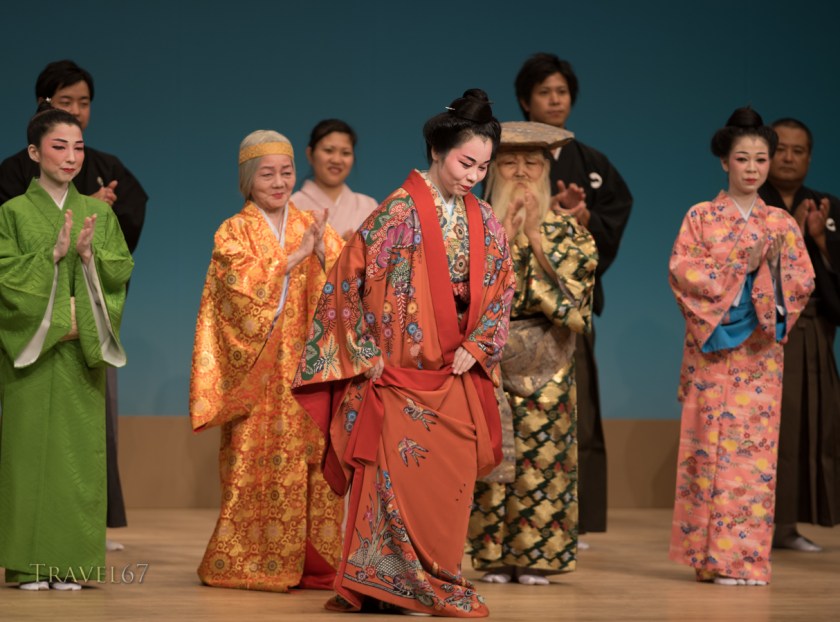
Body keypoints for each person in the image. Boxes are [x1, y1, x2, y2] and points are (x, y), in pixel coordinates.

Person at [293, 89, 515, 617]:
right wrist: (363, 349)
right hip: (397, 377)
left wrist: (481, 343)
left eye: (482, 167)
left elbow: (504, 287)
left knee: (447, 490)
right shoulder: (396, 212)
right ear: (437, 151)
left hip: (456, 374)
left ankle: (435, 578)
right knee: (392, 485)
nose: (473, 176)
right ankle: (379, 586)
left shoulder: (486, 219)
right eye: (465, 163)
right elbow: (345, 284)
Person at [190, 130, 345, 592]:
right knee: (250, 461)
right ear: (247, 180)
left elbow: (344, 287)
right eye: (267, 174)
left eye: (286, 172)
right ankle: (246, 562)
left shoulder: (312, 224)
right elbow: (235, 298)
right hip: (257, 378)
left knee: (312, 461)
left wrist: (324, 256)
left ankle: (314, 563)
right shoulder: (233, 231)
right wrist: (292, 260)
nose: (279, 183)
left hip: (306, 375)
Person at [0, 60, 148, 542]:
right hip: (33, 340)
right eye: (59, 146)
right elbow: (5, 269)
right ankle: (28, 558)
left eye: (77, 147)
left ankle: (75, 553)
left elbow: (120, 267)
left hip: (82, 340)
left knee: (83, 447)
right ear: (34, 150)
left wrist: (87, 257)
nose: (70, 156)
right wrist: (50, 256)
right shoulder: (12, 204)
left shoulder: (99, 197)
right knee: (28, 447)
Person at [668, 107, 814, 586]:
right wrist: (740, 267)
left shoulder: (781, 223)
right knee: (706, 452)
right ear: (724, 162)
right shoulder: (701, 217)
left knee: (752, 460)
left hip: (759, 356)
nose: (752, 168)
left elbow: (800, 282)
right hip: (712, 352)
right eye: (742, 158)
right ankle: (707, 559)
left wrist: (767, 271)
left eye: (760, 159)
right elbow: (683, 273)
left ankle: (744, 560)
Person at [468, 121, 598, 585]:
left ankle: (537, 556)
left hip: (549, 359)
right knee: (491, 455)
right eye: (509, 163)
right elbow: (462, 291)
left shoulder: (568, 232)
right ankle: (492, 556)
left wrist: (538, 243)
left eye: (532, 163)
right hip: (490, 356)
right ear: (492, 169)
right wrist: (503, 236)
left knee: (545, 458)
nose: (521, 171)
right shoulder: (475, 226)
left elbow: (577, 301)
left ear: (546, 170)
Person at [514, 53, 633, 534]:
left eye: (561, 91)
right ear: (526, 101)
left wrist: (585, 221)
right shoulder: (510, 158)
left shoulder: (593, 164)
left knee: (578, 413)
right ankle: (520, 519)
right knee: (519, 416)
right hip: (518, 313)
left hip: (570, 311)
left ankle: (576, 519)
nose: (555, 100)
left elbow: (614, 216)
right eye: (544, 92)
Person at [758, 118, 840, 551]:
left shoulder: (827, 207)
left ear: (809, 157)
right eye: (781, 149)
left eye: (798, 150)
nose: (788, 158)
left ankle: (788, 526)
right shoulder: (754, 203)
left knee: (811, 425)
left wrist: (820, 241)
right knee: (772, 428)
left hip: (812, 330)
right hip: (763, 332)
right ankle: (756, 525)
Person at [291, 119, 378, 241]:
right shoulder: (293, 206)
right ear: (310, 154)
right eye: (328, 150)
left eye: (345, 153)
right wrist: (341, 248)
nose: (337, 160)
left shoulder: (368, 206)